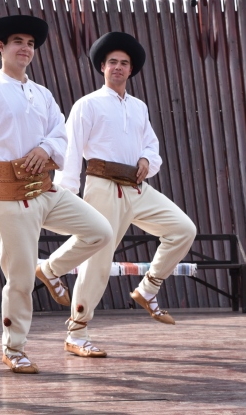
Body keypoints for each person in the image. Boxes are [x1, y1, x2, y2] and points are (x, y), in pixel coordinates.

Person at [0, 14, 113, 374]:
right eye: (18, 41)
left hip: (46, 191)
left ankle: (50, 269)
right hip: (7, 199)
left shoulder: (43, 94)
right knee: (18, 279)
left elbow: (61, 133)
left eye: (31, 44)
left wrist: (48, 149)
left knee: (100, 231)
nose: (26, 49)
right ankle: (14, 347)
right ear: (1, 47)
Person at [54, 31, 197, 357]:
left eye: (124, 63)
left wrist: (147, 159)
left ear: (131, 70)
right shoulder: (87, 105)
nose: (118, 67)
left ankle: (148, 288)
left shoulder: (138, 107)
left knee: (183, 229)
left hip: (137, 187)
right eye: (112, 62)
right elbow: (71, 150)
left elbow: (151, 145)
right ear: (102, 67)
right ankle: (76, 334)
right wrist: (67, 195)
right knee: (97, 262)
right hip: (103, 188)